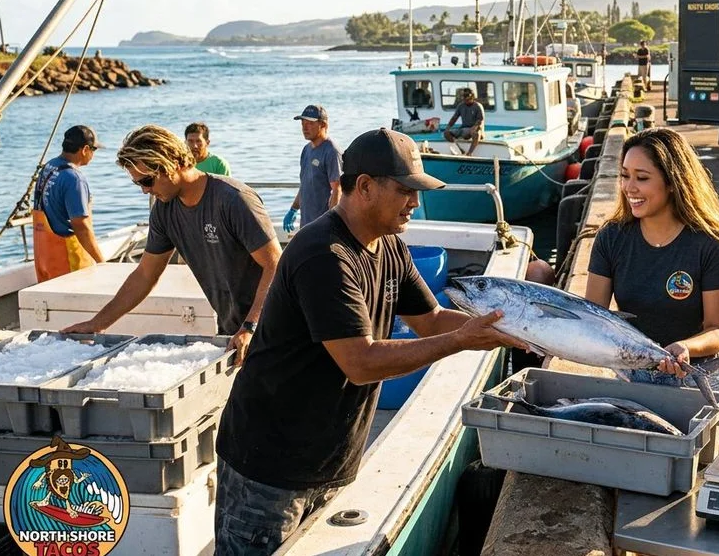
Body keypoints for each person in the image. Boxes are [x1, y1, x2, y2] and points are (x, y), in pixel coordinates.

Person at [213, 128, 529, 554]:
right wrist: (461, 340)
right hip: (269, 466)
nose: (415, 203)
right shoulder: (324, 255)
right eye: (405, 191)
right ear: (363, 187)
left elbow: (430, 319)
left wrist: (508, 331)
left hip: (330, 458)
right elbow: (359, 363)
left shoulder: (390, 246)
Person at [63, 125, 281, 362]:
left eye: (147, 180)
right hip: (232, 328)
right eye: (139, 184)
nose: (145, 191)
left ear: (172, 162)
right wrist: (97, 323)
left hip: (275, 326)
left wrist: (250, 326)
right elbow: (145, 274)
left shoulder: (233, 199)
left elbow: (275, 265)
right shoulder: (164, 212)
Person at [584, 127, 719, 440]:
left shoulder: (710, 245)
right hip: (631, 381)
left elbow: (717, 332)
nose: (630, 187)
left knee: (707, 470)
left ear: (673, 181)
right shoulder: (611, 237)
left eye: (642, 178)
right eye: (624, 175)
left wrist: (685, 347)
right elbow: (593, 319)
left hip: (694, 381)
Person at [32, 125, 106, 282]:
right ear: (85, 149)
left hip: (44, 258)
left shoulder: (49, 167)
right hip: (68, 260)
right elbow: (81, 226)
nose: (93, 155)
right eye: (94, 150)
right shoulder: (74, 179)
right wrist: (102, 262)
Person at [283, 104, 342, 232]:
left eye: (310, 123)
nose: (304, 127)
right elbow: (305, 185)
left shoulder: (331, 150)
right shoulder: (306, 150)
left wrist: (331, 223)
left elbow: (337, 189)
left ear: (323, 125)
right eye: (303, 123)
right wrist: (293, 209)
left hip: (323, 226)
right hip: (306, 225)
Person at [443, 88, 485, 155]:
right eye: (464, 97)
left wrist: (475, 127)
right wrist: (448, 127)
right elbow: (454, 118)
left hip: (475, 129)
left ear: (472, 97)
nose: (466, 100)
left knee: (476, 134)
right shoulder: (461, 106)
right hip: (464, 129)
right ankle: (459, 149)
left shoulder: (478, 106)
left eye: (468, 97)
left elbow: (480, 120)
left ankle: (469, 153)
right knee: (446, 133)